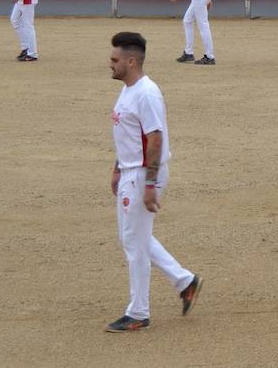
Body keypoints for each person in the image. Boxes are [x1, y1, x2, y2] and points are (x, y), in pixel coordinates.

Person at [105, 31, 203, 332]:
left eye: (115, 59)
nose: (111, 64)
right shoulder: (130, 89)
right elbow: (130, 137)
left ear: (131, 61)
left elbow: (155, 139)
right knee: (134, 238)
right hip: (132, 172)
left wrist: (149, 185)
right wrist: (118, 167)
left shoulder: (146, 93)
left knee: (134, 243)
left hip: (143, 175)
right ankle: (185, 281)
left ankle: (138, 312)